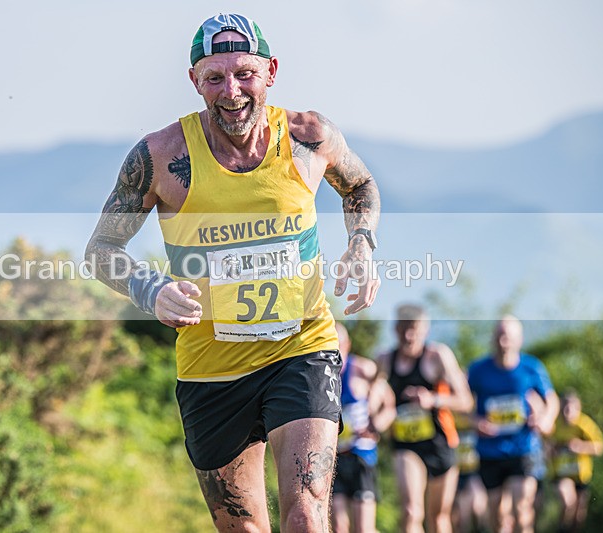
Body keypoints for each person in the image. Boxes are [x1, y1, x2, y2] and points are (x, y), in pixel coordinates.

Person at [84, 13, 381, 532]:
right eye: (215, 77)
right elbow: (102, 248)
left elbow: (360, 187)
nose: (232, 91)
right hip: (212, 369)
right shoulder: (160, 156)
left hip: (302, 348)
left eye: (244, 74)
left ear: (270, 72)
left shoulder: (309, 136)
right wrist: (148, 287)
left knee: (307, 518)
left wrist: (362, 242)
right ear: (195, 81)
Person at [379, 304, 474, 533]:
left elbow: (466, 401)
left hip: (441, 443)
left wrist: (433, 400)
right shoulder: (384, 360)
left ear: (425, 329)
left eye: (414, 329)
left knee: (439, 519)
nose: (409, 336)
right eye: (403, 329)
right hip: (406, 446)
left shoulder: (438, 356)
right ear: (395, 329)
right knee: (412, 511)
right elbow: (374, 398)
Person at [467, 316, 559, 533]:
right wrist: (475, 422)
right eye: (499, 336)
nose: (503, 341)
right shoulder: (478, 370)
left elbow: (552, 400)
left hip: (524, 447)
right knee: (496, 513)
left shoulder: (532, 367)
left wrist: (544, 419)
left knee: (522, 507)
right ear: (493, 338)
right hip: (490, 450)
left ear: (519, 339)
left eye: (508, 336)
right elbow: (462, 404)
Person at [332, 323, 395, 533]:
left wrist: (376, 426)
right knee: (339, 527)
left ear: (348, 344)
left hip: (361, 455)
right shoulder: (318, 377)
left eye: (339, 345)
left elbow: (389, 405)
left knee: (363, 528)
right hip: (334, 458)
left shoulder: (362, 369)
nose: (335, 351)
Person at [549, 390, 603, 533]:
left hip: (581, 475)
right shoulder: (555, 424)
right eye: (565, 408)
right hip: (561, 473)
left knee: (579, 516)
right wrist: (552, 450)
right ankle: (561, 529)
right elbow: (544, 443)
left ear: (578, 408)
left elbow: (599, 447)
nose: (568, 412)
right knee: (568, 502)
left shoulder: (584, 424)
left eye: (571, 409)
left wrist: (580, 447)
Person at [451, 413, 488, 533]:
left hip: (476, 470)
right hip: (454, 471)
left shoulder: (479, 407)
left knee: (479, 509)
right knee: (460, 518)